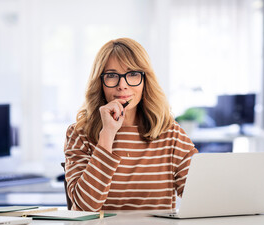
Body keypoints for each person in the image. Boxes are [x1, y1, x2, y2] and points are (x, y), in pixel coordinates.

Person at [64, 38, 198, 211]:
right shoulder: (79, 134)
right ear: (100, 82)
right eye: (111, 75)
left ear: (145, 80)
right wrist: (107, 135)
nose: (122, 85)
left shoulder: (171, 134)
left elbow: (200, 196)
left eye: (133, 74)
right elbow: (84, 207)